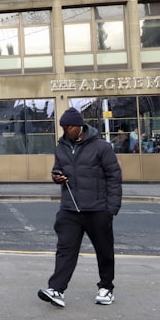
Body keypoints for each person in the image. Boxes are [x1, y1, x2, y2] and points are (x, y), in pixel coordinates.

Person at [38, 107, 122, 309]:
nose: (66, 130)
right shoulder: (61, 147)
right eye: (63, 127)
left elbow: (114, 177)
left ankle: (106, 288)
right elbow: (57, 170)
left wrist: (111, 209)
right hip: (69, 209)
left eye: (69, 127)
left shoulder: (102, 147)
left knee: (104, 251)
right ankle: (56, 289)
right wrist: (56, 176)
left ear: (80, 126)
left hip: (97, 209)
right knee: (65, 249)